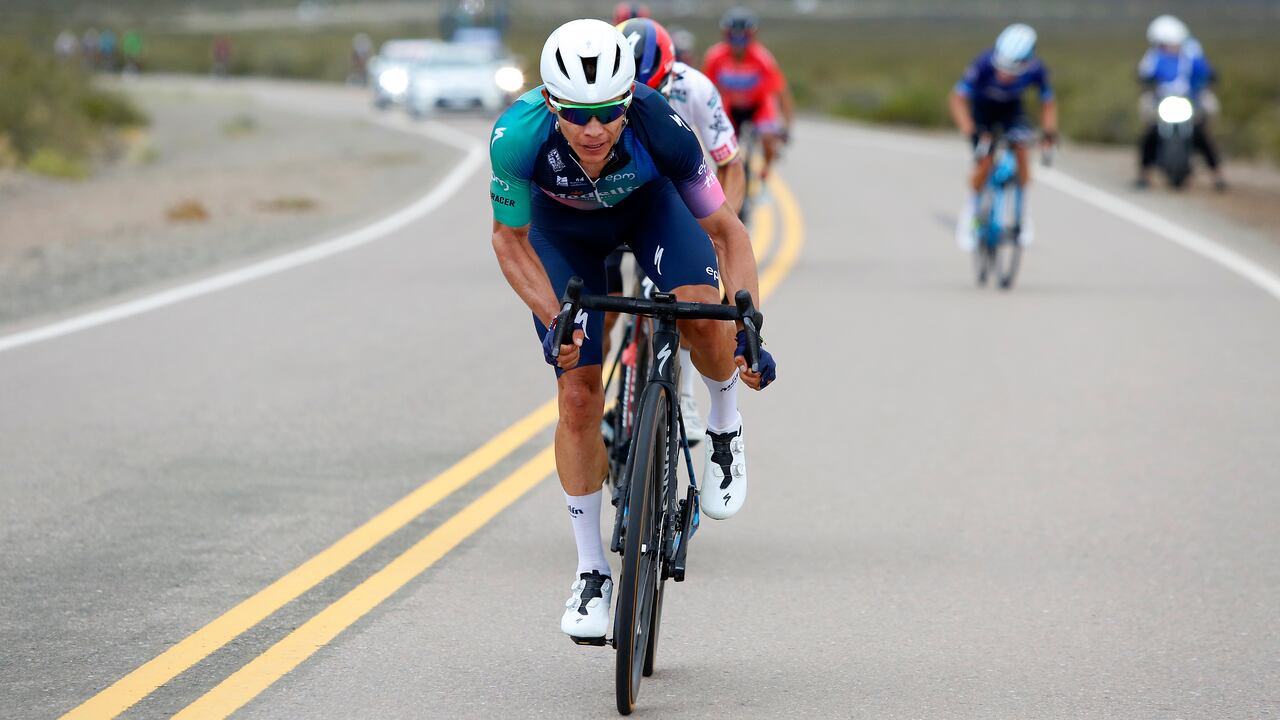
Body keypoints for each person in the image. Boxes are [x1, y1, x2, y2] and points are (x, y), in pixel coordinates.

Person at [488, 19, 777, 642]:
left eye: (608, 113)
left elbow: (728, 232)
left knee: (702, 311)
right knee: (577, 394)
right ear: (548, 102)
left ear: (629, 100)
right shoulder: (515, 136)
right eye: (576, 114)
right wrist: (553, 317)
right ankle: (592, 573)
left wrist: (748, 318)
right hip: (561, 232)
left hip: (649, 210)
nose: (593, 130)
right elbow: (509, 243)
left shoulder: (660, 124)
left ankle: (723, 424)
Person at [612, 16, 748, 440]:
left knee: (690, 300)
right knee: (604, 303)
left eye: (656, 87)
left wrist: (715, 229)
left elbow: (731, 166)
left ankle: (685, 392)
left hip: (682, 196)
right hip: (620, 196)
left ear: (672, 74)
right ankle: (607, 402)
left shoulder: (696, 89)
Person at [948, 23, 1057, 250]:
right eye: (1002, 69)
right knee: (985, 159)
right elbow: (957, 100)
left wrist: (1048, 133)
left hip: (1012, 112)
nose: (1005, 75)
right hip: (982, 113)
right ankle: (971, 212)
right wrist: (970, 130)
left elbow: (1048, 103)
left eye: (1012, 70)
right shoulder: (983, 64)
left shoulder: (1036, 69)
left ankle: (1021, 214)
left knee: (1021, 150)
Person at [701, 7, 794, 182]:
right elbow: (703, 90)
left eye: (743, 36)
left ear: (751, 36)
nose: (738, 41)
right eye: (733, 36)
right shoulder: (714, 57)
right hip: (731, 106)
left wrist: (787, 126)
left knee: (768, 139)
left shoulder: (763, 58)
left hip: (758, 106)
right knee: (722, 148)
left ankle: (766, 171)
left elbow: (781, 93)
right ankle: (725, 182)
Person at [1135, 15, 1226, 191]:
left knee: (1200, 133)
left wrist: (1206, 84)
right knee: (1151, 132)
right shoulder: (1154, 57)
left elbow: (1208, 73)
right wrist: (1147, 85)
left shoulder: (1192, 55)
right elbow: (1144, 74)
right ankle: (1144, 174)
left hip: (1189, 101)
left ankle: (1218, 175)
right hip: (1163, 101)